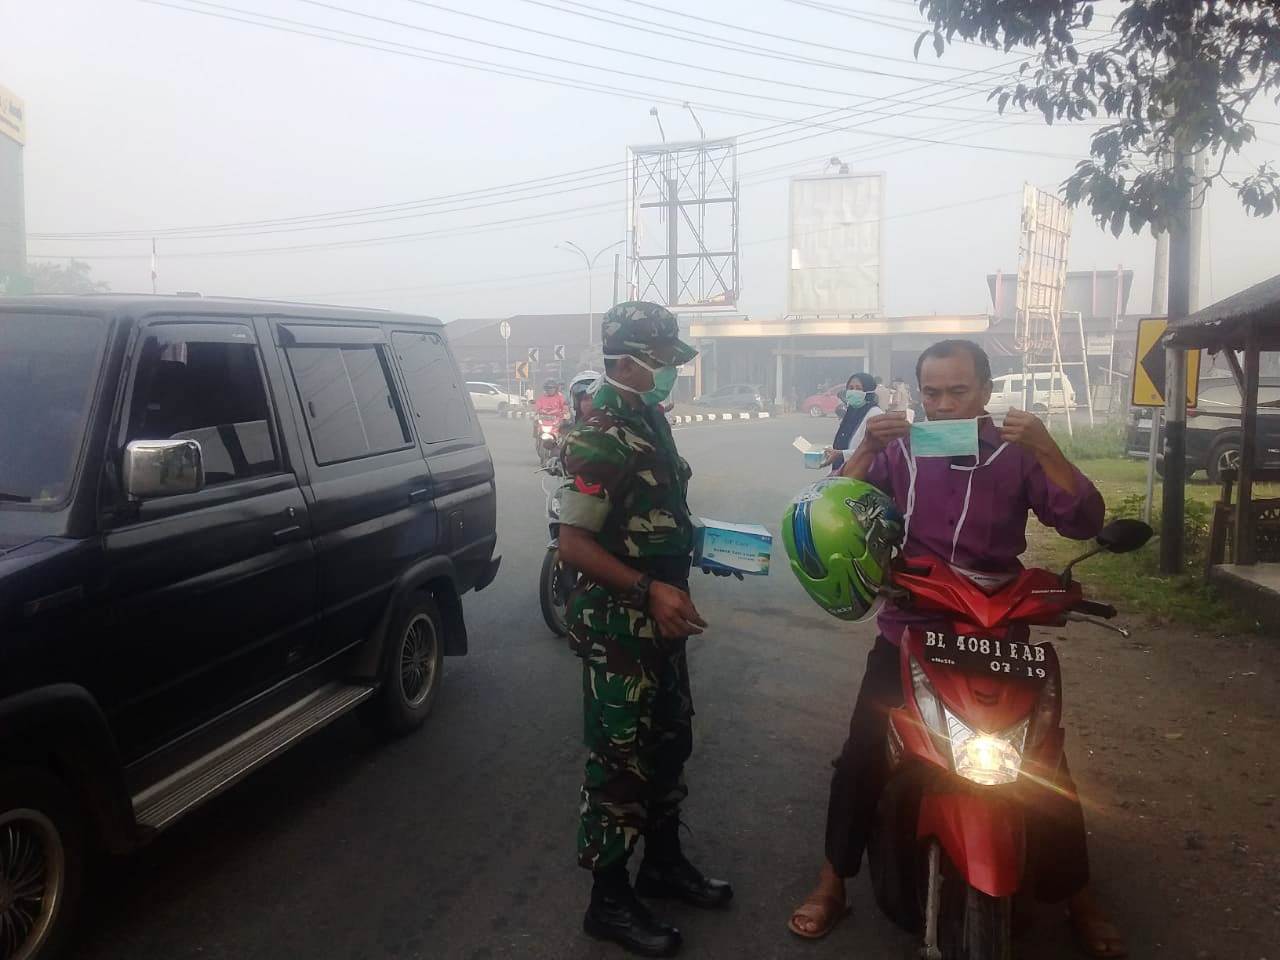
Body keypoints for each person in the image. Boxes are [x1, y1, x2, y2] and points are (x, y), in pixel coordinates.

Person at [787, 339, 1126, 959]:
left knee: (1047, 765)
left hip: (1000, 632)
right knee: (863, 753)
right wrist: (866, 445)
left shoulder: (1018, 454)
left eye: (958, 392)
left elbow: (1080, 520)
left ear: (988, 392)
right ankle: (832, 881)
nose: (943, 407)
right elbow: (831, 508)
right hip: (911, 627)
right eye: (932, 394)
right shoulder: (900, 452)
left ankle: (1079, 897)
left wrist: (1045, 445)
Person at [558, 301, 733, 958]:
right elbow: (572, 544)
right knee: (620, 760)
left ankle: (661, 863)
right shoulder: (599, 431)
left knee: (669, 743)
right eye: (664, 362)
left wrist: (700, 548)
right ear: (629, 359)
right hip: (620, 625)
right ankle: (608, 900)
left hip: (662, 617)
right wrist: (646, 587)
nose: (672, 374)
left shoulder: (648, 416)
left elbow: (653, 512)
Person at [820, 372, 884, 473]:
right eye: (850, 388)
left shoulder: (875, 414)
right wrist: (834, 452)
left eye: (858, 388)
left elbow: (875, 450)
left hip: (861, 474)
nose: (853, 391)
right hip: (842, 470)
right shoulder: (851, 410)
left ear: (868, 391)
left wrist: (841, 454)